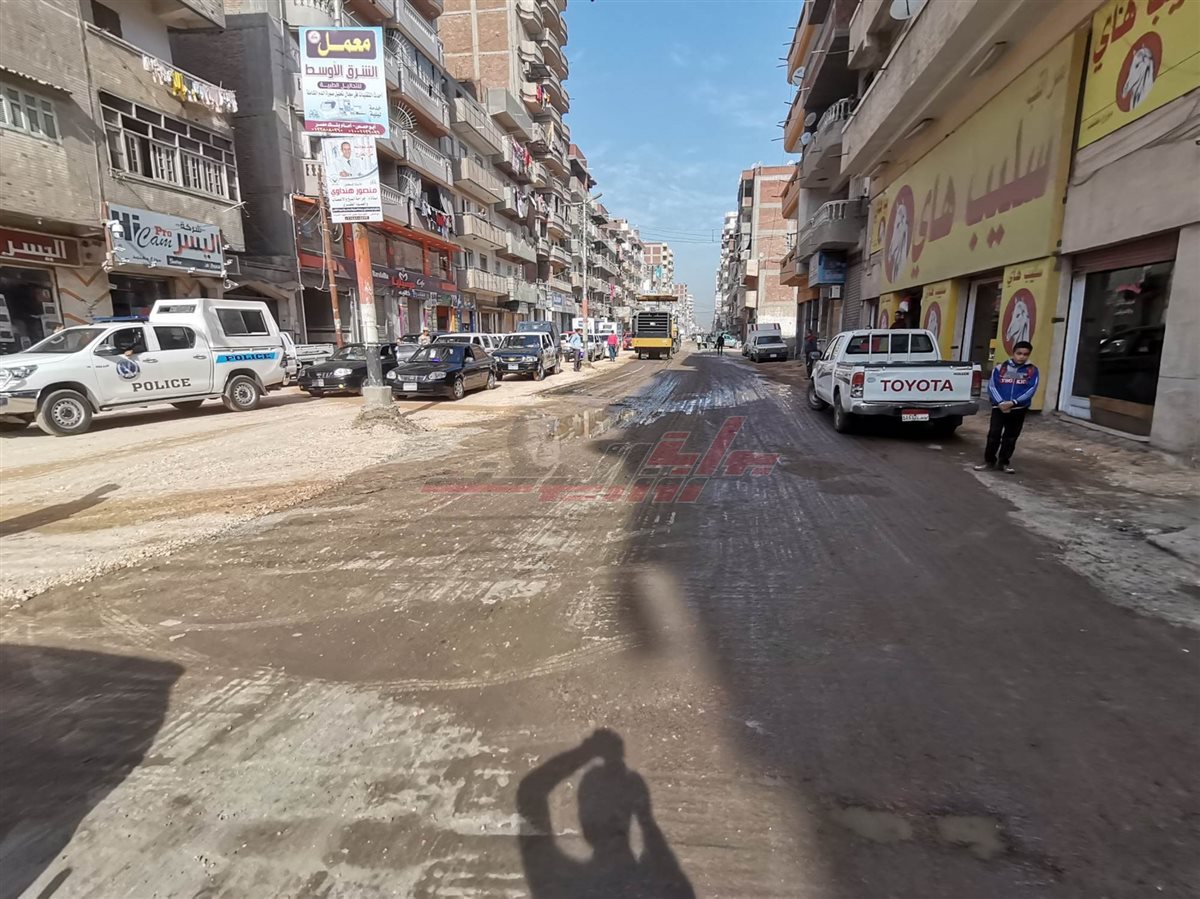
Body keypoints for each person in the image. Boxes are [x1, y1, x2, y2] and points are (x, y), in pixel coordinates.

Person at [976, 340, 1039, 474]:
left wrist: (1014, 402)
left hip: (1018, 409)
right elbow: (992, 386)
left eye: (1025, 354)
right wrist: (1000, 402)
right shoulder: (1000, 368)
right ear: (1013, 353)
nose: (1022, 357)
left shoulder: (1032, 370)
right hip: (998, 408)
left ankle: (1003, 463)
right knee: (993, 435)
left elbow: (1031, 389)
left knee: (1010, 437)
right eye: (1019, 353)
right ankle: (989, 461)